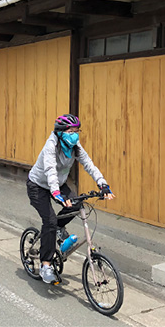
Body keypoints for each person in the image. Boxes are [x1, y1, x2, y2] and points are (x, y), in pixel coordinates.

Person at [27, 114, 115, 284]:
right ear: (60, 132)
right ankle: (45, 265)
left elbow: (89, 164)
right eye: (71, 131)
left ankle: (59, 230)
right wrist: (57, 194)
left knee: (77, 204)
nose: (74, 134)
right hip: (38, 185)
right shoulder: (51, 146)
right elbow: (50, 170)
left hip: (58, 185)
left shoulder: (74, 146)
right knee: (50, 221)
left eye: (77, 131)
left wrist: (103, 185)